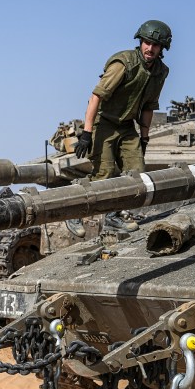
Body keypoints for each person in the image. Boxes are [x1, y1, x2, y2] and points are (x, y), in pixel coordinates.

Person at [68, 19, 172, 235]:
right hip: (103, 123)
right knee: (104, 173)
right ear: (140, 41)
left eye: (155, 45)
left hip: (126, 126)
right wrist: (87, 133)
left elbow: (148, 107)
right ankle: (73, 210)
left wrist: (144, 138)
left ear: (162, 48)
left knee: (137, 175)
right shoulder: (124, 63)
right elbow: (96, 97)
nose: (149, 48)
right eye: (146, 42)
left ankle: (115, 216)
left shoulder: (160, 72)